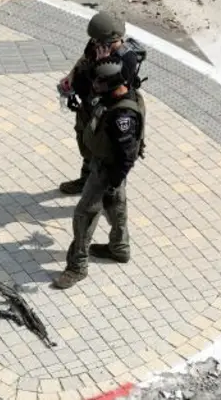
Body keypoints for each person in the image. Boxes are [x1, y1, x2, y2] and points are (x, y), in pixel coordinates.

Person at [53, 55, 146, 289]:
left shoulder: (122, 116)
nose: (95, 87)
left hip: (107, 170)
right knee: (115, 206)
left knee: (85, 214)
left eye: (100, 84)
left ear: (113, 85)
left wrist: (112, 181)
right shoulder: (120, 95)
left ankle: (77, 265)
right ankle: (119, 248)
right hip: (106, 165)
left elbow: (126, 155)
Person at [58, 11, 145, 195]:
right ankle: (85, 179)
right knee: (85, 141)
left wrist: (103, 62)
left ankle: (109, 192)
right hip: (88, 104)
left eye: (99, 41)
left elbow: (107, 87)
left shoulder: (126, 60)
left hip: (107, 112)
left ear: (112, 40)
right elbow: (83, 60)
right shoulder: (96, 43)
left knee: (105, 150)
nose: (95, 43)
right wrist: (71, 77)